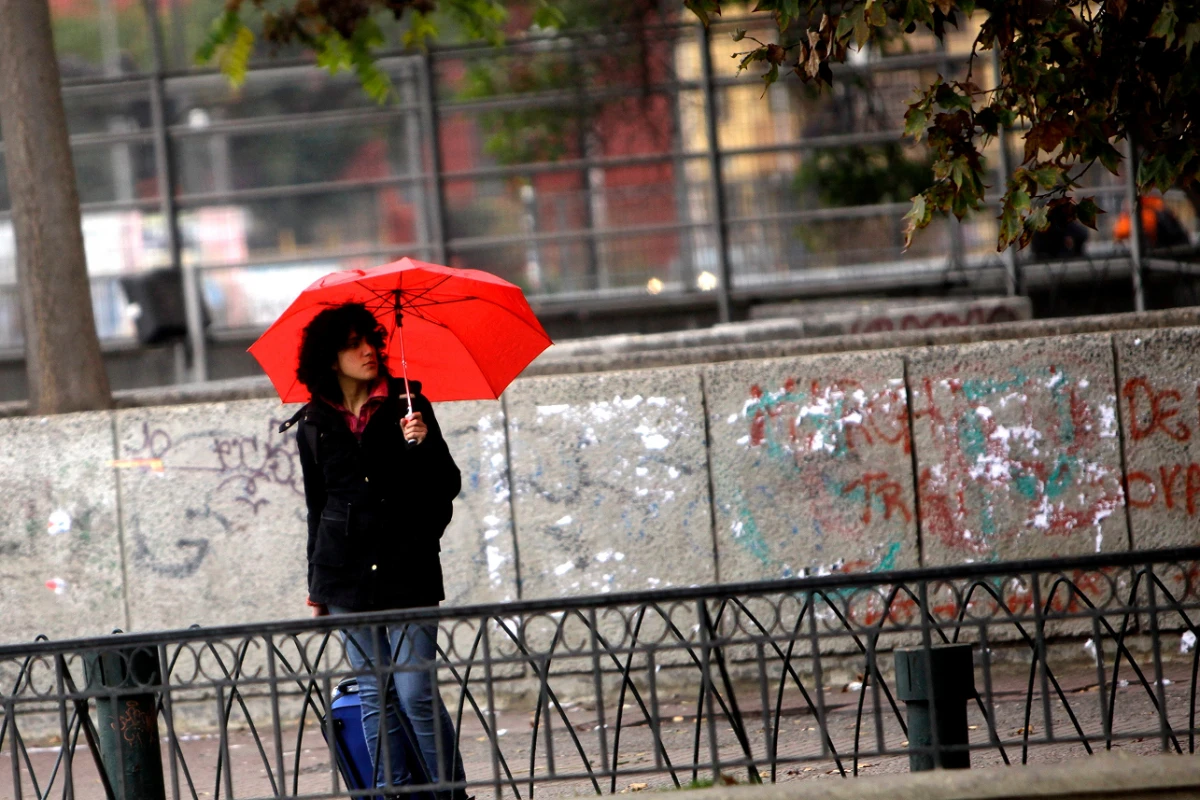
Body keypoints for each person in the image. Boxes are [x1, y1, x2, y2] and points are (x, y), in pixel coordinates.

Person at [282, 302, 468, 799]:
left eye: (371, 340)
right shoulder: (314, 423)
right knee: (374, 693)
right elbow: (317, 508)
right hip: (343, 574)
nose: (367, 351)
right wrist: (316, 586)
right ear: (330, 357)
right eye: (353, 344)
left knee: (415, 691)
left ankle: (449, 796)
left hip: (408, 567)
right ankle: (391, 795)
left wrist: (422, 445)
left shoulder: (409, 404)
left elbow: (447, 484)